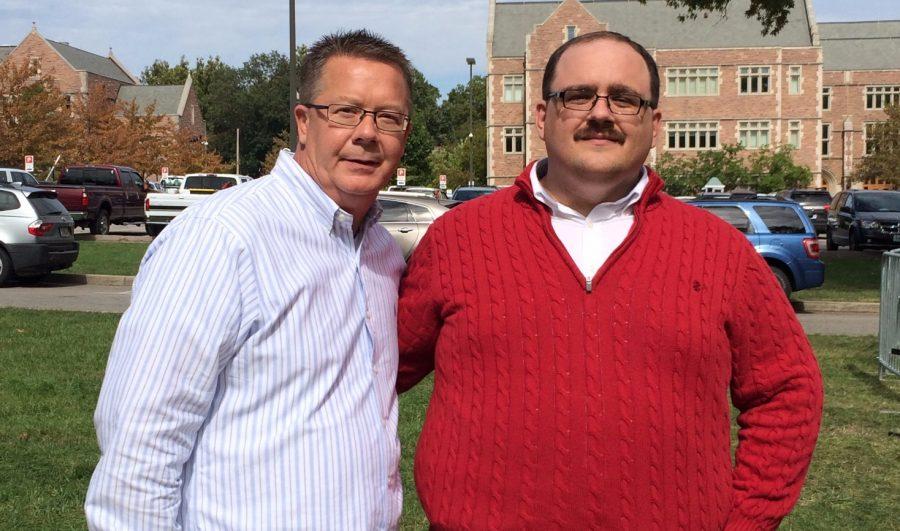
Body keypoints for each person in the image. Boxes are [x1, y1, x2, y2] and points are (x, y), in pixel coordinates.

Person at [397, 31, 823, 529]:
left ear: (655, 122)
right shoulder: (459, 239)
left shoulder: (720, 250)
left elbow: (787, 391)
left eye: (624, 98)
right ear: (541, 116)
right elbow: (375, 375)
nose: (601, 113)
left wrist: (747, 519)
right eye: (577, 95)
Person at [86, 29, 412, 530]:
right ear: (304, 122)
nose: (367, 133)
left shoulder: (381, 254)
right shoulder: (223, 238)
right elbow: (140, 446)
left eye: (388, 117)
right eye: (345, 111)